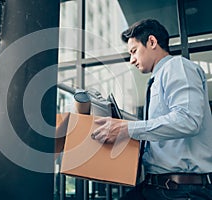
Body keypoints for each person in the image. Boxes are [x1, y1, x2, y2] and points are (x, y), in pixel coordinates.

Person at [90, 18, 212, 199]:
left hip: (180, 191)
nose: (132, 60)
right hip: (159, 186)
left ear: (152, 42)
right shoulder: (157, 79)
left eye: (134, 51)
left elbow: (188, 120)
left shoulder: (176, 67)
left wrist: (126, 129)